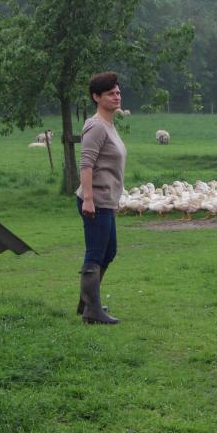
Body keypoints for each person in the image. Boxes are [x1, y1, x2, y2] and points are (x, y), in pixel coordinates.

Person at [75, 71, 126, 324]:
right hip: (95, 200)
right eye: (110, 93)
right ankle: (92, 310)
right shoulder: (95, 125)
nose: (117, 96)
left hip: (106, 199)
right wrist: (88, 198)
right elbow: (86, 163)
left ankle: (88, 303)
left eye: (117, 92)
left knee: (109, 251)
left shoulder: (109, 124)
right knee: (96, 253)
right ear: (96, 97)